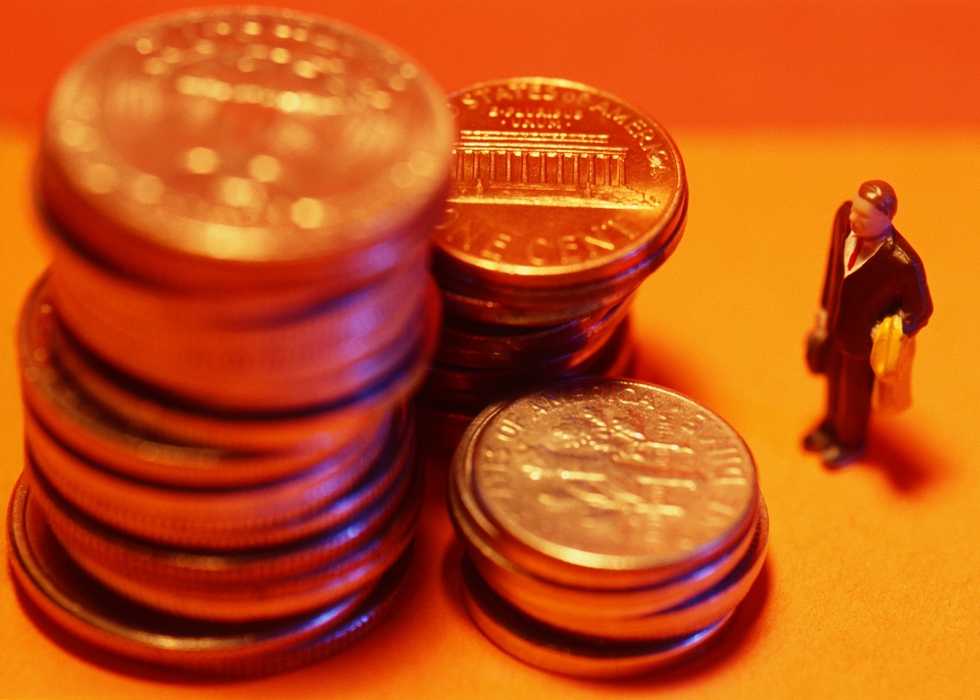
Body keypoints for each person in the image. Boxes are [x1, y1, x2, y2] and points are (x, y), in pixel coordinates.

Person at [804, 180, 933, 466]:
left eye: (863, 218)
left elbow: (921, 310)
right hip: (836, 327)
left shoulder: (902, 262)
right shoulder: (843, 221)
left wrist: (892, 327)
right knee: (833, 380)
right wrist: (824, 311)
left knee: (854, 395)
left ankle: (849, 442)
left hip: (863, 343)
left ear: (886, 219)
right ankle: (829, 427)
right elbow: (832, 265)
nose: (853, 219)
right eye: (855, 211)